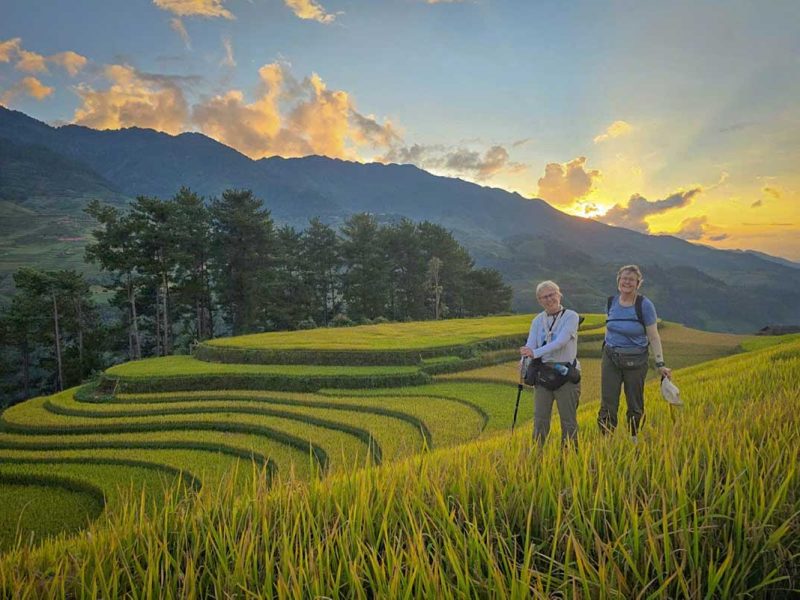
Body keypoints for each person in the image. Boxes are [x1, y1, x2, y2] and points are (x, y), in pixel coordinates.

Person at [598, 265, 672, 442]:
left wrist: (660, 363)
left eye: (631, 279)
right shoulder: (611, 302)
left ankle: (634, 437)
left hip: (636, 360)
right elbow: (609, 328)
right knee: (608, 400)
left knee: (634, 400)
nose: (627, 282)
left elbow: (653, 336)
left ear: (638, 283)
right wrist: (606, 347)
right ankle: (606, 440)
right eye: (624, 278)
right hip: (611, 357)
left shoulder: (644, 305)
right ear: (618, 281)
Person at [519, 280, 581, 448]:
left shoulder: (571, 316)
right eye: (543, 297)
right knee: (540, 419)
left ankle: (570, 456)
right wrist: (524, 360)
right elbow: (531, 344)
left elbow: (561, 341)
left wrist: (535, 353)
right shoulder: (537, 320)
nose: (549, 299)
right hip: (543, 374)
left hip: (565, 373)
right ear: (539, 300)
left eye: (551, 294)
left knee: (568, 420)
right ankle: (538, 456)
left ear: (559, 294)